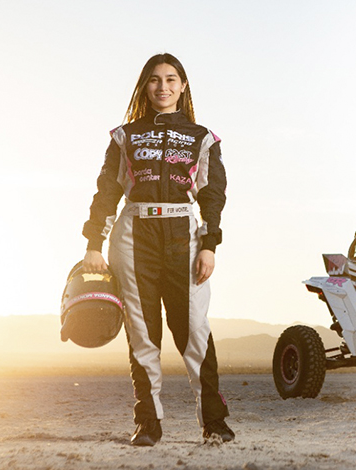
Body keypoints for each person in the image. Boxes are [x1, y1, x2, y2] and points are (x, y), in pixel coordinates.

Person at [82, 53, 234, 446]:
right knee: (143, 333)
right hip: (134, 235)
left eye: (170, 79)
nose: (162, 87)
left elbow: (213, 195)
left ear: (183, 86)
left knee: (195, 332)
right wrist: (94, 244)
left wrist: (210, 245)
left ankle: (214, 423)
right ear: (144, 87)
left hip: (184, 234)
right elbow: (107, 191)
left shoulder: (203, 138)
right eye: (154, 80)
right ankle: (148, 423)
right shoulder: (124, 136)